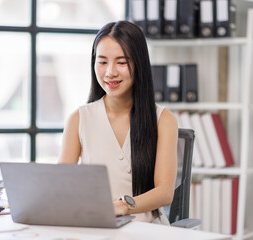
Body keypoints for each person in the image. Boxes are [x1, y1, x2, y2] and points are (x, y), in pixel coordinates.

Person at [58, 20, 178, 224]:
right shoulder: (79, 118)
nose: (110, 72)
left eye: (121, 63)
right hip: (97, 226)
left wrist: (122, 206)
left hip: (146, 230)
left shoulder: (163, 120)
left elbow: (164, 193)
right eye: (102, 62)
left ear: (138, 64)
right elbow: (60, 184)